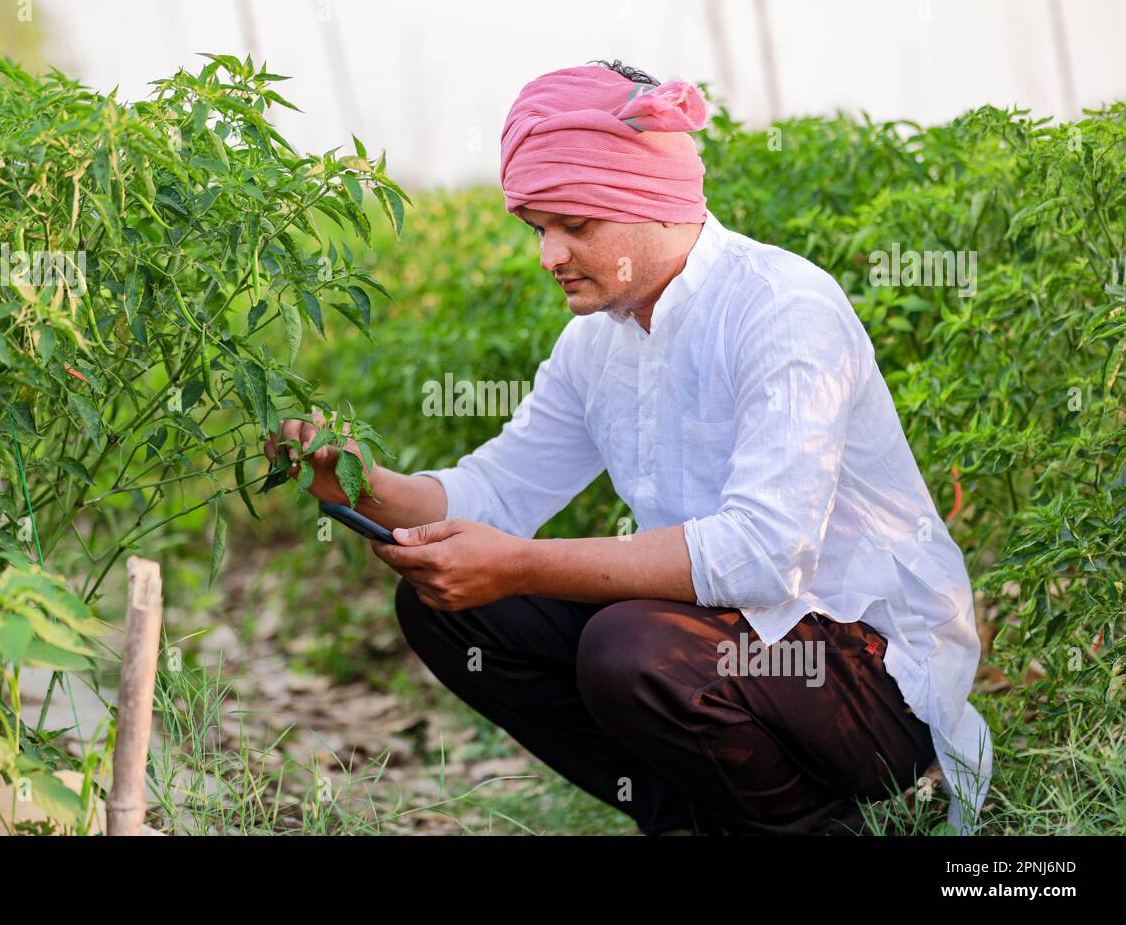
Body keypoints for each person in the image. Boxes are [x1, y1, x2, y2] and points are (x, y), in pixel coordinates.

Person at [264, 60, 993, 836]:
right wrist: (358, 481)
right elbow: (498, 490)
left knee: (629, 646)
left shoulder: (782, 309)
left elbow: (763, 555)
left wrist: (519, 562)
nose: (548, 256)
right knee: (452, 613)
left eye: (574, 226)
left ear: (648, 201)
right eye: (537, 229)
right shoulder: (598, 342)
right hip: (725, 643)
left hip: (872, 676)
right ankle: (690, 822)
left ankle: (819, 830)